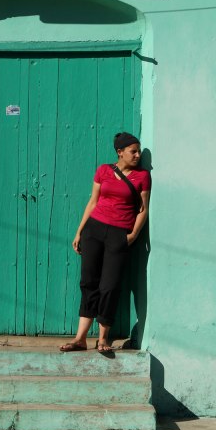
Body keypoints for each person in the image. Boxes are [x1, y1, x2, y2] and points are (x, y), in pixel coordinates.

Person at [59, 132, 151, 354]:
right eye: (133, 151)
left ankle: (103, 339)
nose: (138, 155)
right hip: (94, 229)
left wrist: (132, 235)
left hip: (119, 234)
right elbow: (93, 202)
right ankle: (80, 338)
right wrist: (80, 232)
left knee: (109, 286)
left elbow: (143, 210)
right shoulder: (103, 170)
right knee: (88, 282)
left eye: (139, 151)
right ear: (120, 152)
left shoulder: (142, 177)